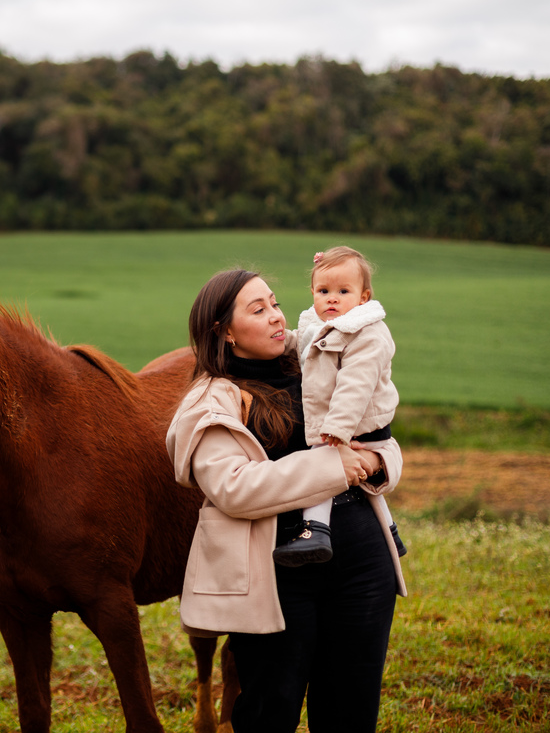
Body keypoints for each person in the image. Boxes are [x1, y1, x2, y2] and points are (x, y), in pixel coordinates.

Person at [167, 268, 407, 733]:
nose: (278, 317)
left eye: (275, 303)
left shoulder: (318, 362)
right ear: (225, 332)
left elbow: (380, 437)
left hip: (361, 560)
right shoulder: (211, 401)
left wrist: (376, 463)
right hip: (276, 575)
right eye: (259, 310)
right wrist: (335, 467)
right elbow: (235, 488)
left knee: (351, 711)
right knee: (268, 712)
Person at [272, 246, 407, 567]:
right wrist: (276, 342)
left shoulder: (366, 333)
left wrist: (337, 428)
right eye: (324, 291)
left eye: (343, 291)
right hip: (346, 424)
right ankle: (391, 530)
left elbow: (355, 385)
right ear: (313, 293)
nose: (331, 299)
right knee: (351, 472)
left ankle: (315, 528)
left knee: (322, 463)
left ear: (364, 297)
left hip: (358, 424)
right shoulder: (320, 326)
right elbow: (301, 344)